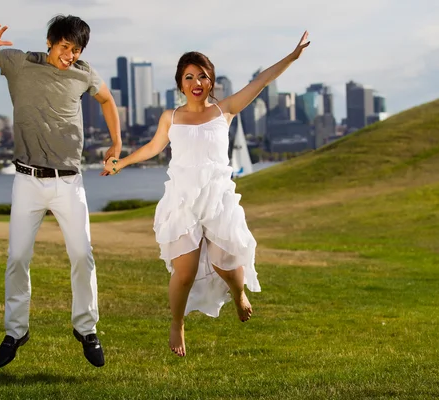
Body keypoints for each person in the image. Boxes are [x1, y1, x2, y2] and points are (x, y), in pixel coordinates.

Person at [104, 32, 310, 356]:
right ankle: (177, 324)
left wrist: (292, 57)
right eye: (189, 77)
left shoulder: (224, 111)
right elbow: (153, 148)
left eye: (202, 75)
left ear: (211, 81)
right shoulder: (170, 118)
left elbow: (261, 82)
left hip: (218, 197)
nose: (196, 81)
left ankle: (239, 294)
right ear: (180, 84)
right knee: (183, 274)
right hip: (184, 199)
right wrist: (122, 162)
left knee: (226, 265)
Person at [0, 15, 122, 368]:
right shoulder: (20, 62)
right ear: (51, 41)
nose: (70, 55)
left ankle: (87, 328)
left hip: (69, 181)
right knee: (17, 257)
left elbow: (108, 101)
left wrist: (116, 143)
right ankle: (16, 331)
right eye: (65, 47)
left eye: (76, 49)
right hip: (27, 180)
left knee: (82, 255)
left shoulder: (84, 72)